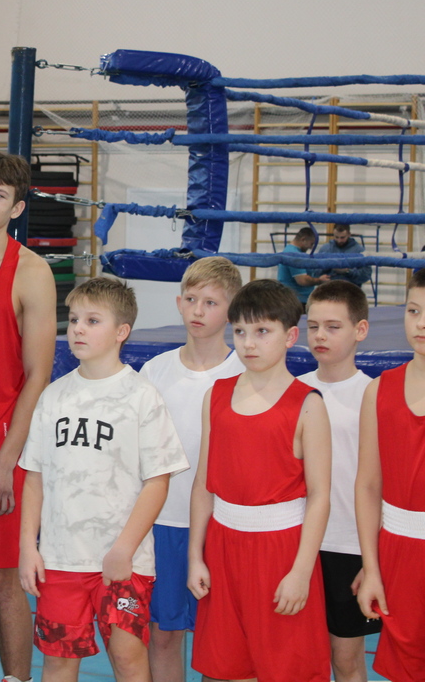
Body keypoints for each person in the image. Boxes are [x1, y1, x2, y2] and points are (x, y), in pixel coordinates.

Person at [19, 276, 188, 682]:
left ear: (121, 332)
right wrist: (27, 546)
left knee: (128, 658)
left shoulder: (141, 396)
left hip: (123, 560)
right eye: (75, 318)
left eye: (92, 321)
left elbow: (158, 481)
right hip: (61, 560)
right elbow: (34, 477)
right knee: (58, 661)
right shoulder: (53, 397)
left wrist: (123, 549)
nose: (78, 328)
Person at [188, 279, 331, 682]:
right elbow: (203, 485)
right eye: (240, 331)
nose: (249, 343)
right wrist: (196, 556)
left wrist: (301, 572)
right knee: (222, 669)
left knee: (287, 669)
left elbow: (320, 496)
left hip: (281, 553)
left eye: (262, 331)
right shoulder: (216, 396)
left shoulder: (307, 405)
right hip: (223, 549)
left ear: (290, 336)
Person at [0, 152, 56, 682]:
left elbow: (37, 377)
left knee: (3, 581)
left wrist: (5, 461)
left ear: (16, 208)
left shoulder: (31, 272)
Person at [138, 256, 243, 682]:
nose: (198, 311)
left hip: (222, 526)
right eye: (192, 299)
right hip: (161, 522)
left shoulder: (245, 372)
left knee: (221, 641)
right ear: (179, 302)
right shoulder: (154, 371)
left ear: (232, 311)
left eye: (211, 303)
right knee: (163, 636)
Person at [298, 280, 377, 682]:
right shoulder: (293, 391)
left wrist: (374, 560)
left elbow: (382, 485)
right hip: (296, 544)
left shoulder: (373, 395)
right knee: (296, 658)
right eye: (313, 326)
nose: (320, 336)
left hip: (349, 546)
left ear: (360, 330)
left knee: (346, 660)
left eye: (332, 327)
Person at [355, 268, 425, 682]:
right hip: (399, 556)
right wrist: (372, 567)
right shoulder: (378, 391)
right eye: (414, 310)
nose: (422, 323)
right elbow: (367, 486)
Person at [278, 226, 329, 308]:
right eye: (311, 244)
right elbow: (302, 280)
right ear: (303, 239)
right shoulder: (294, 254)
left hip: (295, 299)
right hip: (296, 301)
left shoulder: (291, 251)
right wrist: (319, 280)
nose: (311, 247)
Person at [318, 224, 372, 289]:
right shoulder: (325, 249)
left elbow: (366, 275)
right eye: (336, 237)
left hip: (350, 290)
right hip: (328, 289)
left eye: (342, 237)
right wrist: (328, 267)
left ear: (349, 234)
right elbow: (315, 272)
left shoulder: (359, 251)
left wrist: (348, 271)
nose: (339, 240)